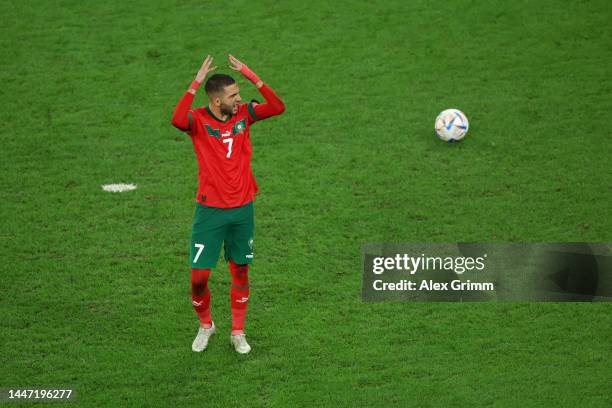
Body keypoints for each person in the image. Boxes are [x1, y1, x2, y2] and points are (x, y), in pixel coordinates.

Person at [171, 54, 285, 354]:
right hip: (210, 212)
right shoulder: (197, 120)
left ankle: (238, 331)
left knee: (241, 271)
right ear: (216, 100)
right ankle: (206, 325)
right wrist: (195, 83)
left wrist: (250, 74)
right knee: (198, 279)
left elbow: (277, 107)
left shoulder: (244, 114)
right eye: (233, 95)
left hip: (242, 209)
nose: (239, 99)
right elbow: (176, 119)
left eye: (239, 93)